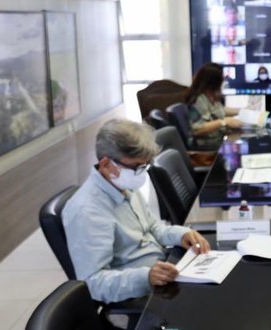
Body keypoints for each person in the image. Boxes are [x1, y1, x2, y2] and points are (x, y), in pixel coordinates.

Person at [62, 119, 211, 303]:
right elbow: (93, 283)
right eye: (137, 167)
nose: (142, 173)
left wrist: (181, 235)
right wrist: (146, 277)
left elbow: (152, 229)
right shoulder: (87, 211)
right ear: (107, 165)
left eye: (146, 166)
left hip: (161, 275)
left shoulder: (122, 184)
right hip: (136, 297)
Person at [184, 63, 243, 149]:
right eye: (222, 80)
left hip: (219, 139)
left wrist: (241, 111)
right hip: (207, 145)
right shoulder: (198, 99)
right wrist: (224, 122)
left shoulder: (211, 95)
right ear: (214, 82)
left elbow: (219, 111)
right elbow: (197, 129)